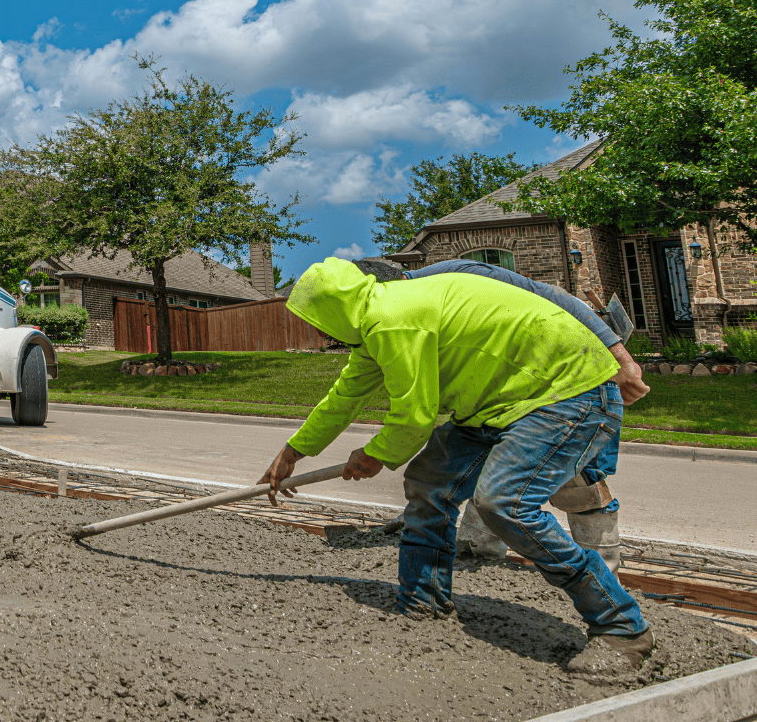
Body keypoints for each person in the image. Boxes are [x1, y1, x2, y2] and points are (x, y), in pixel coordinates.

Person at [258, 258, 654, 673]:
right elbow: (342, 399)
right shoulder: (376, 322)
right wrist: (292, 453)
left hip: (567, 392)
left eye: (316, 321)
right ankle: (422, 603)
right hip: (498, 402)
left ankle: (622, 627)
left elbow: (413, 419)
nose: (319, 332)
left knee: (506, 503)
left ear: (332, 311)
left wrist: (374, 454)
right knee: (430, 485)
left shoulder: (394, 319)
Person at [356, 258, 648, 569]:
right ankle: (476, 553)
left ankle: (604, 569)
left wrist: (621, 357)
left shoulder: (461, 276)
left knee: (580, 480)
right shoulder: (407, 315)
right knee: (491, 463)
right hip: (509, 381)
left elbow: (554, 297)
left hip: (572, 364)